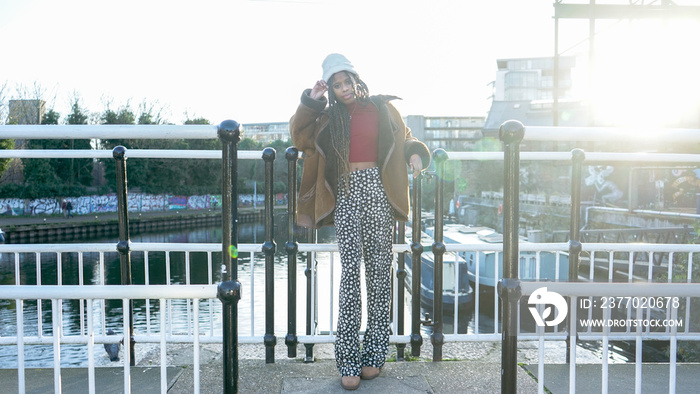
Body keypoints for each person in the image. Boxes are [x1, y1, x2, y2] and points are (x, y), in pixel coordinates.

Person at [290, 53, 430, 391]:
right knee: (351, 273)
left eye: (346, 82)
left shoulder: (382, 108)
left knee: (380, 274)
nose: (343, 89)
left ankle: (374, 356)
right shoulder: (327, 117)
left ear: (356, 79)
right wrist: (312, 99)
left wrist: (416, 153)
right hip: (347, 195)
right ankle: (348, 360)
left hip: (379, 191)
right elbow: (299, 137)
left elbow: (405, 136)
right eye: (336, 85)